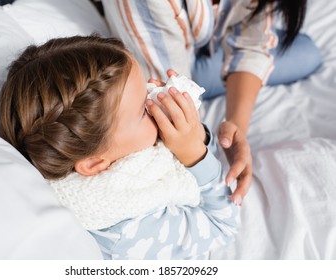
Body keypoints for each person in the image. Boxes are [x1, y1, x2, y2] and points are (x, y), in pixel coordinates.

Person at [0, 35, 239, 259]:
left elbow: (210, 153)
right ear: (94, 163)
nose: (155, 101)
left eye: (147, 90)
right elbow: (224, 225)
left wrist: (196, 135)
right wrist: (195, 155)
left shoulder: (122, 151)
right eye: (143, 110)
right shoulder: (128, 232)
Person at [100, 0, 322, 204]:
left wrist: (236, 125)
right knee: (174, 101)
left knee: (307, 51)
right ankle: (198, 72)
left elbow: (252, 40)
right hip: (165, 52)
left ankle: (200, 67)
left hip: (194, 47)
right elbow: (171, 97)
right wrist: (199, 148)